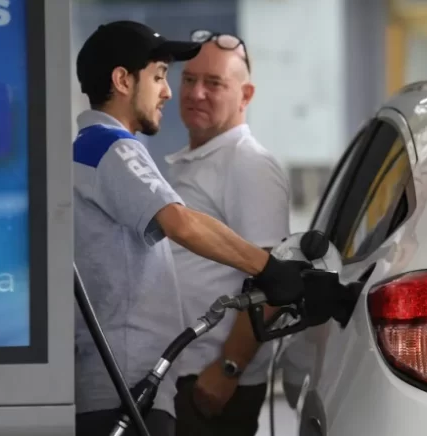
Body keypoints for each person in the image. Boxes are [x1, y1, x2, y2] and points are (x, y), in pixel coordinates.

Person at [72, 21, 307, 436]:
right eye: (160, 77)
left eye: (210, 82)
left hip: (132, 380)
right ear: (122, 80)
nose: (168, 90)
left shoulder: (94, 149)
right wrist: (270, 270)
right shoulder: (111, 148)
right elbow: (180, 221)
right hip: (124, 384)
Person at [165, 31, 289, 436]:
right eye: (189, 79)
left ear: (245, 95)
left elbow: (271, 282)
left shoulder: (247, 164)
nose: (196, 93)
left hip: (212, 384)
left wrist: (229, 369)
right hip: (183, 375)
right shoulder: (199, 159)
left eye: (214, 83)